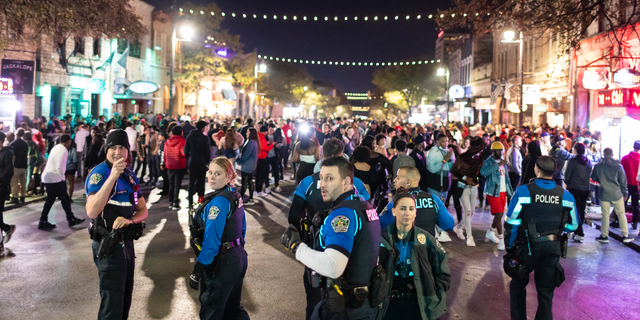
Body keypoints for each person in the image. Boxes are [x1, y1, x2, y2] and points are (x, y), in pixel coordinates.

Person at [281, 156, 380, 320]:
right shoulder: (364, 206)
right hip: (363, 305)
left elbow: (333, 266)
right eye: (321, 178)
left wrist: (297, 247)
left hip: (344, 309)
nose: (323, 184)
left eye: (330, 178)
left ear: (346, 182)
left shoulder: (342, 215)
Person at [504, 156, 578, 320]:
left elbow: (511, 222)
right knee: (546, 291)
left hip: (527, 247)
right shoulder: (566, 196)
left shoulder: (523, 191)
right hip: (553, 247)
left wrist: (509, 246)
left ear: (536, 169)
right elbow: (573, 226)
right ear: (554, 171)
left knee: (518, 284)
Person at [85, 129, 148, 320]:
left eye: (122, 147)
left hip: (127, 247)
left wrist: (131, 220)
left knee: (123, 303)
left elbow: (143, 211)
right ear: (106, 149)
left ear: (128, 151)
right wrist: (112, 177)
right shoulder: (99, 173)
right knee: (112, 307)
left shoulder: (130, 176)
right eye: (113, 147)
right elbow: (92, 211)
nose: (118, 152)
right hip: (108, 248)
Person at [188, 157, 250, 320]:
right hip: (238, 258)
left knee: (212, 312)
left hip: (221, 263)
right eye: (210, 172)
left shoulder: (219, 202)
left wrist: (199, 268)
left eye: (218, 173)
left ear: (230, 177)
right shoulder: (234, 195)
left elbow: (212, 240)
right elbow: (242, 228)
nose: (212, 177)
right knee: (232, 311)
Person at [377, 189, 450, 320]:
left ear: (415, 212)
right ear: (393, 211)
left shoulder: (427, 241)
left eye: (411, 209)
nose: (407, 213)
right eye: (403, 208)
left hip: (418, 307)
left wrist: (431, 290)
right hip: (387, 306)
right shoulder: (381, 240)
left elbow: (443, 275)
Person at [380, 167, 455, 238]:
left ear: (408, 182)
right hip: (427, 248)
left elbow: (380, 224)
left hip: (405, 248)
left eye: (398, 178)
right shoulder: (433, 199)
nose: (394, 180)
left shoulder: (398, 201)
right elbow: (449, 224)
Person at [38, 134, 85, 230]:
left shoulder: (55, 148)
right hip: (55, 178)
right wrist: (62, 178)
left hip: (49, 177)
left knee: (50, 200)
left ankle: (43, 221)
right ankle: (70, 219)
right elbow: (60, 166)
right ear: (68, 142)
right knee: (65, 199)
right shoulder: (63, 150)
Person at [591, 148, 634, 243]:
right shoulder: (618, 166)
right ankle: (625, 236)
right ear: (612, 154)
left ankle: (604, 236)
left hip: (604, 194)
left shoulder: (598, 166)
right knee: (621, 214)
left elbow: (593, 178)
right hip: (617, 194)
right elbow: (623, 182)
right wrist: (625, 193)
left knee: (605, 215)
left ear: (603, 154)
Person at [451, 136, 486, 247]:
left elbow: (480, 173)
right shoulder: (462, 157)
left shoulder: (480, 158)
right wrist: (466, 178)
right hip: (463, 187)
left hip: (473, 187)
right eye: (481, 147)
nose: (482, 149)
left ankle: (459, 227)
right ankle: (469, 237)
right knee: (468, 211)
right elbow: (454, 170)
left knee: (471, 213)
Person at [480, 142, 514, 250]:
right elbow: (483, 172)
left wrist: (511, 194)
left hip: (503, 192)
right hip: (493, 192)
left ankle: (490, 231)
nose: (502, 153)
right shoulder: (488, 161)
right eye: (500, 151)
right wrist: (497, 165)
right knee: (499, 214)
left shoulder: (502, 162)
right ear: (493, 151)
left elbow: (507, 179)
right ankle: (501, 239)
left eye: (502, 151)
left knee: (499, 215)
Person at [564, 142, 592, 242]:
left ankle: (580, 232)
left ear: (575, 150)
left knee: (576, 210)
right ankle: (578, 231)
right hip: (585, 189)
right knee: (581, 210)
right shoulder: (588, 161)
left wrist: (566, 183)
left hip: (574, 188)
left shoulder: (572, 161)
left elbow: (567, 175)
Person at [185, 121, 211, 210]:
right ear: (203, 128)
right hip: (202, 162)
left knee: (191, 182)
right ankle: (201, 201)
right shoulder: (205, 138)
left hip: (192, 162)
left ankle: (190, 203)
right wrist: (207, 161)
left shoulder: (189, 137)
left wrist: (190, 158)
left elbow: (186, 151)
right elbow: (208, 152)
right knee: (201, 182)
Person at [0, 132, 16, 257]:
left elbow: (8, 171)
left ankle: (0, 244)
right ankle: (6, 228)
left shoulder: (7, 153)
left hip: (1, 188)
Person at [426, 133, 455, 200]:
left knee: (442, 207)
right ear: (437, 142)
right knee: (435, 207)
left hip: (445, 185)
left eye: (447, 141)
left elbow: (452, 169)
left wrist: (450, 160)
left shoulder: (449, 152)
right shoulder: (432, 152)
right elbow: (432, 169)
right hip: (434, 185)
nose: (446, 143)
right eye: (443, 141)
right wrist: (444, 160)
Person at [164, 126, 187, 210]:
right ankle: (175, 202)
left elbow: (165, 154)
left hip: (169, 165)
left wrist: (165, 163)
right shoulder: (182, 141)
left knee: (171, 183)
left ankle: (171, 201)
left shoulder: (167, 141)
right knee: (177, 184)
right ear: (181, 132)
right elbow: (183, 153)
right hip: (179, 165)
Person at [620, 140, 640, 230]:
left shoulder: (625, 158)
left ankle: (620, 221)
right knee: (635, 204)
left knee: (622, 203)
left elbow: (620, 172)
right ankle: (634, 223)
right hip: (637, 185)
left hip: (626, 184)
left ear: (633, 146)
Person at [237, 128, 259, 205]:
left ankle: (241, 199)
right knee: (249, 182)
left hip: (247, 166)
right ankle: (250, 198)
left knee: (244, 183)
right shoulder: (254, 142)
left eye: (247, 132)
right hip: (251, 165)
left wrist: (239, 160)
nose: (246, 133)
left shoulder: (250, 143)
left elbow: (246, 154)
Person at [9, 128, 28, 204]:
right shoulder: (25, 143)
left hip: (16, 165)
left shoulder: (13, 143)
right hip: (24, 165)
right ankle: (23, 196)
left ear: (16, 133)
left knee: (14, 182)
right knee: (23, 182)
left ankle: (15, 197)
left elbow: (13, 156)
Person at [255, 125, 275, 196]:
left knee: (258, 175)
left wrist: (267, 143)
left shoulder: (257, 135)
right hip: (262, 157)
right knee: (261, 175)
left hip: (257, 157)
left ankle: (257, 190)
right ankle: (259, 191)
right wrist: (272, 145)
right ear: (266, 131)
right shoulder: (262, 136)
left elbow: (261, 145)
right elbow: (265, 148)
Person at [266, 124, 283, 192]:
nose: (272, 131)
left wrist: (278, 145)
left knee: (276, 172)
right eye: (271, 130)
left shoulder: (275, 136)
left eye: (273, 130)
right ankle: (267, 187)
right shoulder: (265, 136)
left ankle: (277, 185)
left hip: (274, 156)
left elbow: (279, 143)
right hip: (266, 156)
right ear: (268, 129)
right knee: (266, 172)